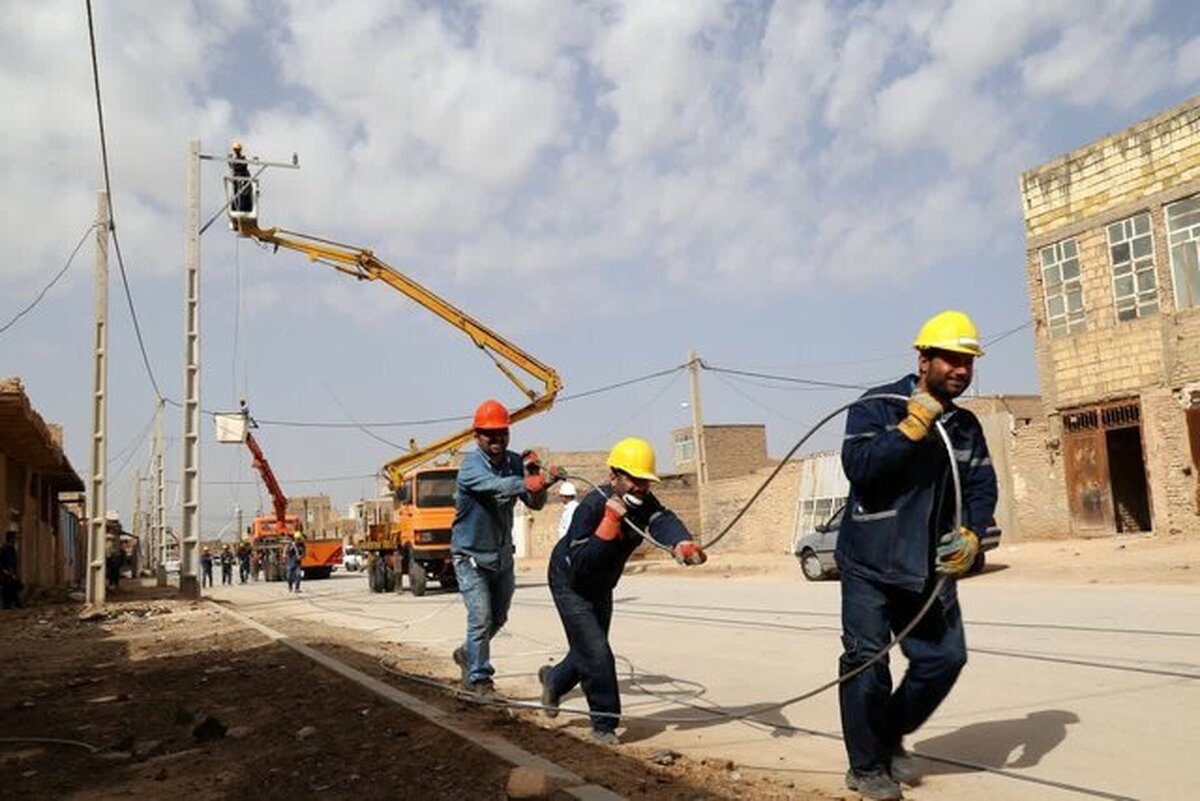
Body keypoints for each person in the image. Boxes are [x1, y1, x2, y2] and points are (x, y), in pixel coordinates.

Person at [836, 310, 998, 801]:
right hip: (870, 560)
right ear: (923, 358)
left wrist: (972, 530)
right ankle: (866, 768)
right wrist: (907, 430)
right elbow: (859, 468)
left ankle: (885, 736)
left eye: (968, 362)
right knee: (867, 661)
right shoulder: (877, 406)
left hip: (929, 566)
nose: (961, 370)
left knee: (945, 659)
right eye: (951, 359)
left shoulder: (965, 426)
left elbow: (980, 486)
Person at [538, 437, 706, 745]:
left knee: (590, 648)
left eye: (645, 481)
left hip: (602, 584)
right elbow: (582, 564)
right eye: (634, 479)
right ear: (613, 477)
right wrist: (609, 523)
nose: (641, 487)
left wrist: (681, 542)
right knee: (597, 652)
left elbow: (662, 521)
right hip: (570, 583)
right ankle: (604, 724)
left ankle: (554, 680)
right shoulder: (591, 507)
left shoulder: (644, 504)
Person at [450, 399, 563, 697]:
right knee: (481, 618)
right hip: (470, 557)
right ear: (477, 436)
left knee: (498, 618)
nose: (497, 439)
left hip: (501, 556)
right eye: (490, 434)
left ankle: (467, 654)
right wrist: (532, 480)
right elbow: (500, 487)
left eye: (502, 433)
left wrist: (540, 480)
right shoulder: (470, 468)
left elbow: (534, 503)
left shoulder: (515, 463)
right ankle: (479, 679)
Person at [1, 528, 22, 609]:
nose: (16, 540)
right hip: (7, 572)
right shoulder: (7, 548)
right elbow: (7, 560)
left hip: (10, 572)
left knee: (11, 588)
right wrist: (7, 571)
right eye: (15, 538)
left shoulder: (10, 548)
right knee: (10, 588)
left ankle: (12, 604)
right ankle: (14, 604)